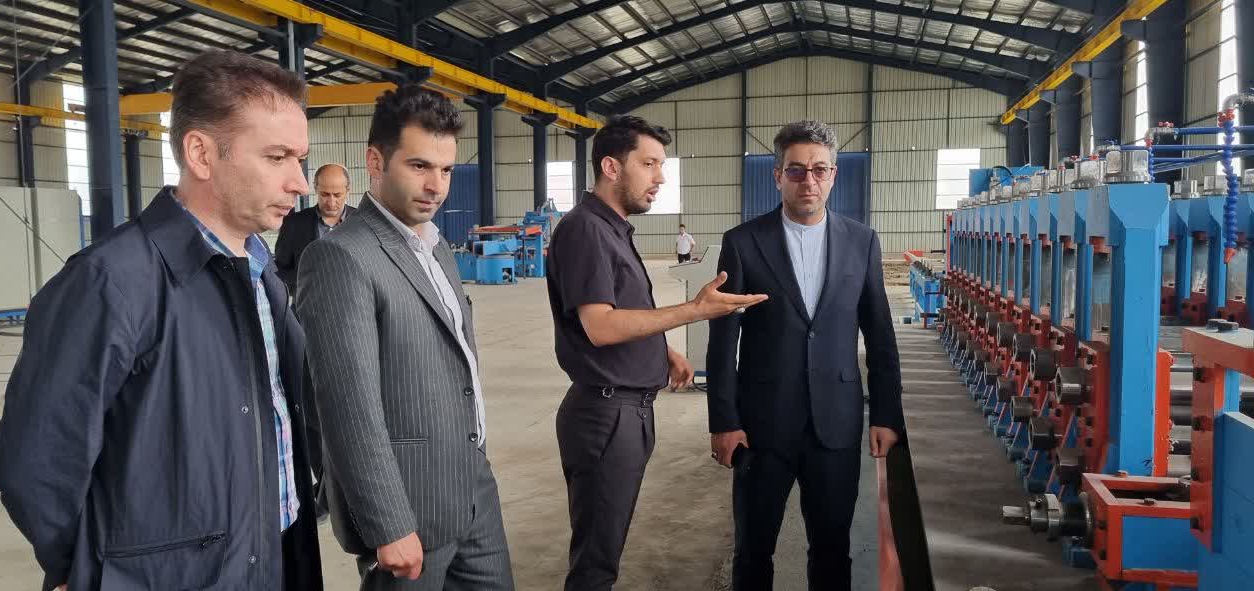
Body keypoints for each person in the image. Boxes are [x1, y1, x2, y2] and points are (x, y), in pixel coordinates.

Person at [0, 49, 323, 591]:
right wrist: (87, 569)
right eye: (278, 157)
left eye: (299, 159)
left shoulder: (264, 276)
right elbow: (35, 463)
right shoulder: (110, 282)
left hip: (271, 557)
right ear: (201, 154)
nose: (300, 183)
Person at [297, 85, 514, 590]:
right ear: (375, 161)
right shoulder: (341, 257)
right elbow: (348, 407)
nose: (436, 186)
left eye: (446, 170)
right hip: (410, 506)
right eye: (419, 166)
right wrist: (388, 523)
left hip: (473, 489)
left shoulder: (438, 250)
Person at [545, 115, 769, 591]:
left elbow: (622, 309)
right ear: (611, 166)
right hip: (607, 414)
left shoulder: (613, 228)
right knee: (596, 562)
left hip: (625, 410)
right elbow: (600, 326)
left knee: (606, 546)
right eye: (649, 164)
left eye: (661, 165)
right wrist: (694, 311)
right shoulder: (586, 229)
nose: (660, 178)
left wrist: (661, 349)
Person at [705, 120, 904, 591]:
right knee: (753, 550)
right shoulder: (743, 243)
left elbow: (879, 334)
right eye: (796, 170)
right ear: (778, 176)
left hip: (835, 425)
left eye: (819, 170)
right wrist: (724, 421)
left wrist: (886, 414)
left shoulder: (862, 241)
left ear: (833, 175)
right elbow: (723, 342)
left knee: (833, 549)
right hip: (762, 427)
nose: (808, 180)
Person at [275, 162, 357, 298]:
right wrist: (304, 287)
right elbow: (281, 269)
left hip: (353, 304)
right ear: (316, 188)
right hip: (306, 305)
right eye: (325, 194)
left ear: (348, 190)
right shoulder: (294, 224)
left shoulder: (362, 222)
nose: (331, 202)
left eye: (337, 195)